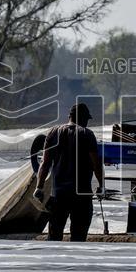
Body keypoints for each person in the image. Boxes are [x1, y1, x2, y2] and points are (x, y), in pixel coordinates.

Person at [34, 103, 105, 242]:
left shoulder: (54, 133)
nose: (86, 123)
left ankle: (55, 262)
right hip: (82, 194)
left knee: (54, 235)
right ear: (83, 118)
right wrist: (101, 186)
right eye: (86, 119)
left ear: (70, 117)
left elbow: (45, 163)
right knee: (79, 237)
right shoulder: (87, 134)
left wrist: (39, 187)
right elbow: (96, 164)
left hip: (59, 194)